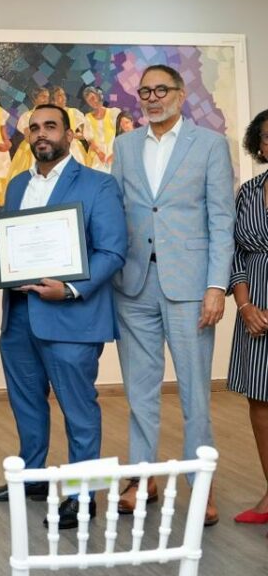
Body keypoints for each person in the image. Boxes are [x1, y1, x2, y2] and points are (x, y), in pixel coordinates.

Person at [0, 104, 126, 531]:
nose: (41, 134)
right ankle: (33, 477)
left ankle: (82, 495)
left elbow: (112, 251)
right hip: (21, 313)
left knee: (79, 410)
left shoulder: (98, 185)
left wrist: (72, 288)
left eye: (50, 126)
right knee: (26, 403)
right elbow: (24, 246)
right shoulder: (19, 183)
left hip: (72, 315)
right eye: (34, 128)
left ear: (70, 134)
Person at [110, 65, 234, 526]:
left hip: (190, 288)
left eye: (161, 90)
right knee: (140, 392)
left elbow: (222, 220)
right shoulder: (124, 147)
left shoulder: (209, 145)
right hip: (134, 285)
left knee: (195, 395)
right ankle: (143, 478)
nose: (153, 98)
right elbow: (117, 211)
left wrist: (215, 286)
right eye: (145, 91)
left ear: (181, 96)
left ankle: (200, 485)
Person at [228, 109, 268, 529]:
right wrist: (245, 305)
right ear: (259, 145)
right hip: (254, 307)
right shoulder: (249, 192)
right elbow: (236, 252)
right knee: (261, 402)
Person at [6, 88, 50, 183]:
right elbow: (28, 137)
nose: (46, 100)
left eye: (47, 97)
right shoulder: (27, 116)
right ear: (35, 99)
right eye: (43, 97)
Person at [82, 86, 120, 172]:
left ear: (98, 95)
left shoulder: (114, 113)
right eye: (89, 101)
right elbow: (90, 140)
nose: (93, 102)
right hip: (97, 155)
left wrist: (114, 153)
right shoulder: (88, 118)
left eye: (93, 98)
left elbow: (121, 135)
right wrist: (99, 153)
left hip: (114, 152)